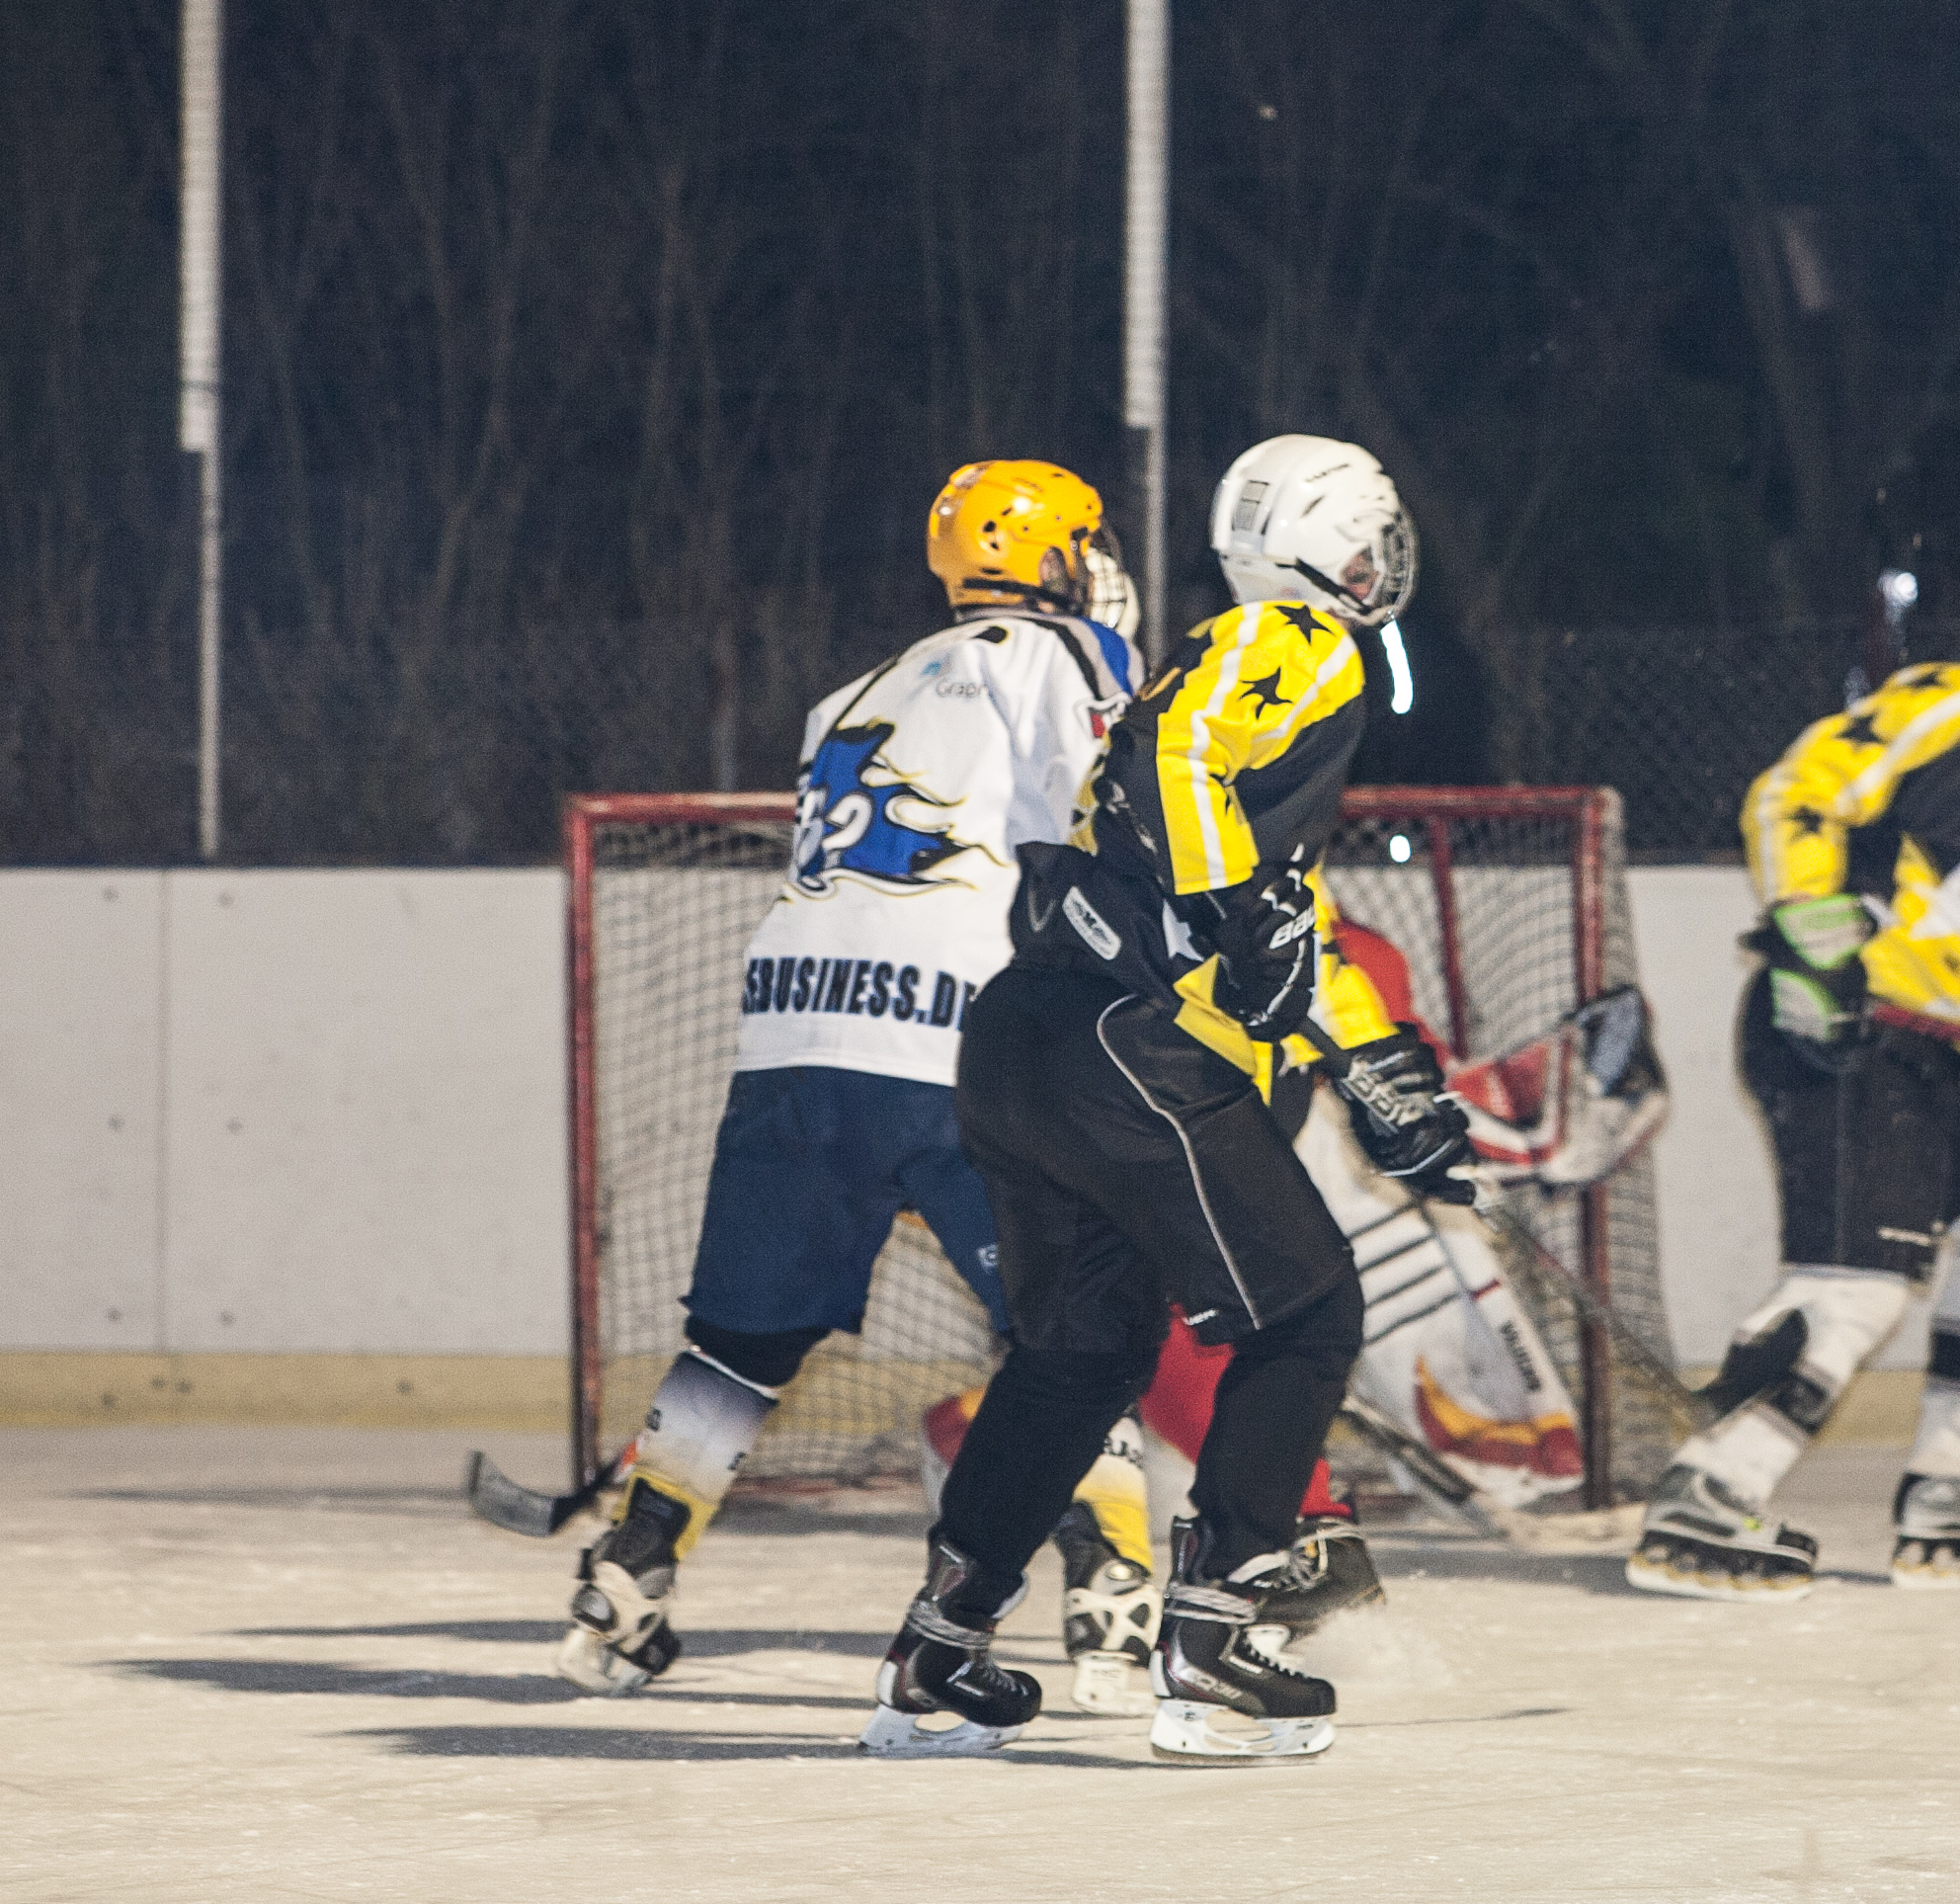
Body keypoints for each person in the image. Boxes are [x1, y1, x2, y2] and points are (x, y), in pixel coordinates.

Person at [858, 434, 1478, 1764]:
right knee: (1309, 1313)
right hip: (1124, 1045)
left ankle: (936, 1651)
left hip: (1025, 1042)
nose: (1384, 562)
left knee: (1080, 1357)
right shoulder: (1295, 640)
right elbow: (1183, 772)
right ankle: (1213, 1645)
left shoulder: (1231, 682)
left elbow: (1274, 895)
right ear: (1321, 548)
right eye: (1368, 536)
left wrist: (1379, 1063)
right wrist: (1240, 905)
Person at [558, 462, 1137, 1693]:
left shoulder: (849, 694)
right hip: (951, 1039)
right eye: (1086, 545)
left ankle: (634, 1562)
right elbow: (1118, 820)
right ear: (1054, 556)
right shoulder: (1064, 656)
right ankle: (1114, 1583)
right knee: (1075, 1325)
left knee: (739, 1343)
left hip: (793, 1039)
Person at [1628, 534, 1960, 1602]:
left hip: (1950, 1049)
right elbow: (1795, 793)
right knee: (1859, 1281)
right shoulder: (1950, 706)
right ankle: (1707, 1490)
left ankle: (1949, 1493)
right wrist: (1811, 926)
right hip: (1845, 1022)